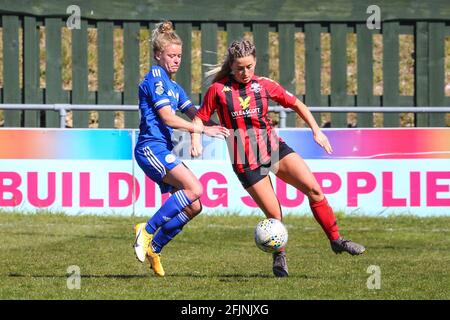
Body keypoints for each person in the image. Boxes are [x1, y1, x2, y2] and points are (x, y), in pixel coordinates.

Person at [190, 39, 365, 278]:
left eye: (249, 66)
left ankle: (336, 240)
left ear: (255, 63)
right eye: (240, 68)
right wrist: (196, 139)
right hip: (245, 159)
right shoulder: (218, 90)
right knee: (275, 215)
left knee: (314, 190)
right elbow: (199, 118)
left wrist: (316, 130)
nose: (245, 72)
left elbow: (296, 104)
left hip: (273, 149)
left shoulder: (264, 85)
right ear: (231, 66)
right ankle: (279, 257)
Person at [133, 21, 229, 277]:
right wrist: (201, 131)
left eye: (179, 56)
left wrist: (221, 124)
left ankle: (155, 246)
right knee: (195, 188)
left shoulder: (174, 87)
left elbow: (196, 114)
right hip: (149, 148)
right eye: (171, 56)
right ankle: (147, 230)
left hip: (163, 148)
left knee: (194, 206)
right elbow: (168, 118)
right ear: (158, 55)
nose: (176, 61)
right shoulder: (155, 79)